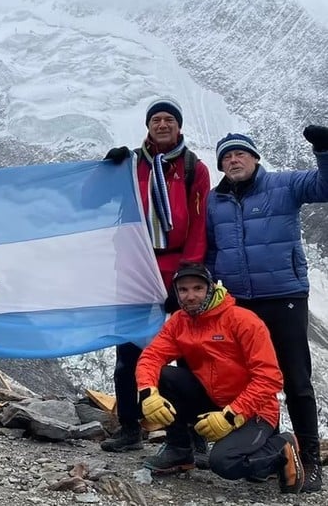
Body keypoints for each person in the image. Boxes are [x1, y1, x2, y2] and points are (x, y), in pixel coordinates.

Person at [207, 127, 328, 492]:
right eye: (227, 156)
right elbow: (212, 249)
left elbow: (324, 187)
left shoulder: (284, 184)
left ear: (255, 158)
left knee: (296, 379)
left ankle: (309, 459)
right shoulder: (214, 201)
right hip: (240, 303)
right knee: (253, 381)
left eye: (240, 153)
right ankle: (271, 450)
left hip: (285, 296)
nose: (234, 160)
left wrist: (324, 151)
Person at [100, 96, 210, 454]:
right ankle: (130, 425)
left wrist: (187, 274)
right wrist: (107, 170)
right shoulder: (131, 164)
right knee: (127, 352)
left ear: (179, 126)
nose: (162, 125)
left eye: (169, 120)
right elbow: (95, 200)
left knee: (189, 354)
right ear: (148, 126)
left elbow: (198, 223)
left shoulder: (195, 168)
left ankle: (194, 432)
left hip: (176, 267)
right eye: (156, 120)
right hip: (134, 266)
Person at [136, 264, 304, 494]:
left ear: (211, 289)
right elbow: (151, 356)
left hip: (255, 411)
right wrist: (147, 393)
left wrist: (231, 415)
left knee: (224, 463)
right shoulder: (179, 321)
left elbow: (270, 378)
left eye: (197, 288)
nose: (190, 296)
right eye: (183, 290)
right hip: (214, 401)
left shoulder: (243, 320)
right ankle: (179, 450)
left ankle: (282, 447)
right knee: (165, 376)